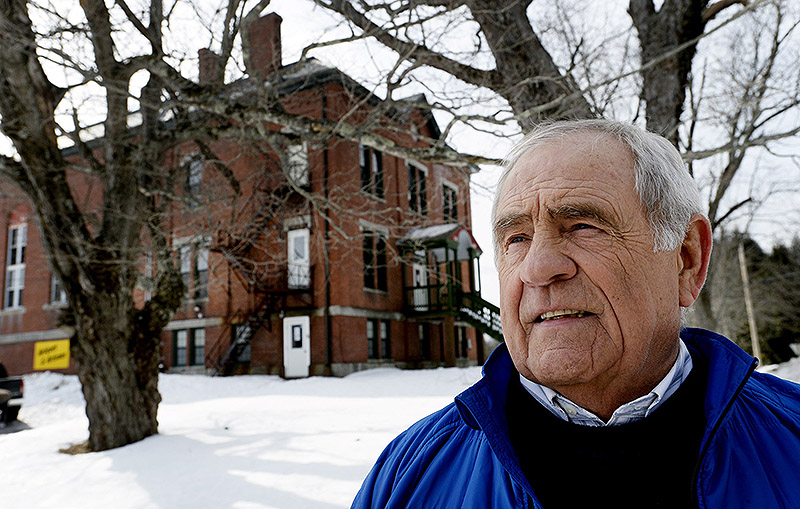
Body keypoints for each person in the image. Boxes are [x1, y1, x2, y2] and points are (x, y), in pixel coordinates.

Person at [352, 119, 800, 508]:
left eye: (583, 226)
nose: (538, 268)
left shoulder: (790, 437)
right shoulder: (408, 473)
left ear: (686, 258)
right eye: (517, 239)